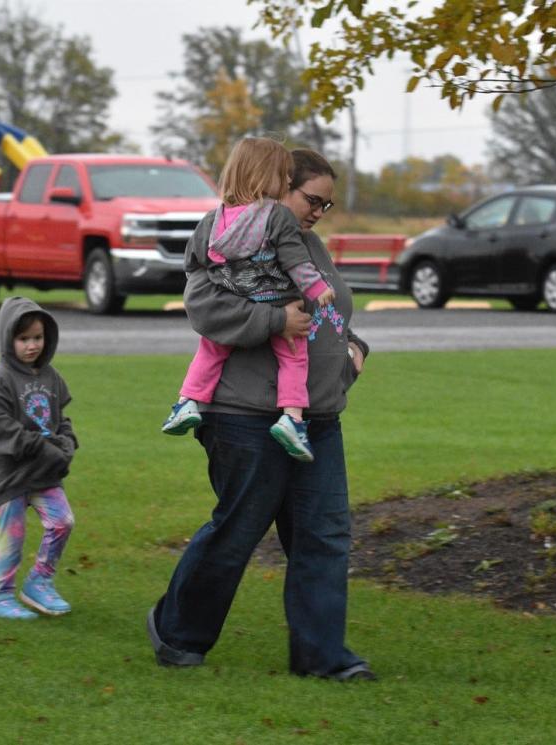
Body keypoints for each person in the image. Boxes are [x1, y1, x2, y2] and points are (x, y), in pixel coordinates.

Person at [147, 149, 376, 681]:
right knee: (238, 530)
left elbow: (334, 310)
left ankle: (322, 657)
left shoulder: (310, 246)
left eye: (327, 204)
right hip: (244, 415)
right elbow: (205, 310)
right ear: (277, 188)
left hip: (317, 418)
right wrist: (275, 319)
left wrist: (354, 351)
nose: (319, 211)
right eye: (311, 199)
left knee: (324, 534)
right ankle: (176, 630)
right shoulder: (226, 239)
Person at [161, 137, 335, 462]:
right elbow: (297, 263)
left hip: (238, 296)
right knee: (294, 357)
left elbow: (192, 261)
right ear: (265, 175)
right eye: (284, 176)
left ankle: (186, 402)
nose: (286, 181)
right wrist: (313, 292)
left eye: (325, 205)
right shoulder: (278, 218)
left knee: (210, 350)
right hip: (276, 306)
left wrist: (225, 277)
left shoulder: (213, 220)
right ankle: (292, 418)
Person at [0, 296, 78, 620]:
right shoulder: (0, 379)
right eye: (23, 339)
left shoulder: (51, 377)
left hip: (44, 472)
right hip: (10, 475)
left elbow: (61, 419)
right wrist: (38, 445)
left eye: (37, 338)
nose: (32, 345)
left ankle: (39, 582)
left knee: (62, 522)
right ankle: (1, 596)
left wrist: (67, 442)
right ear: (9, 339)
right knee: (13, 536)